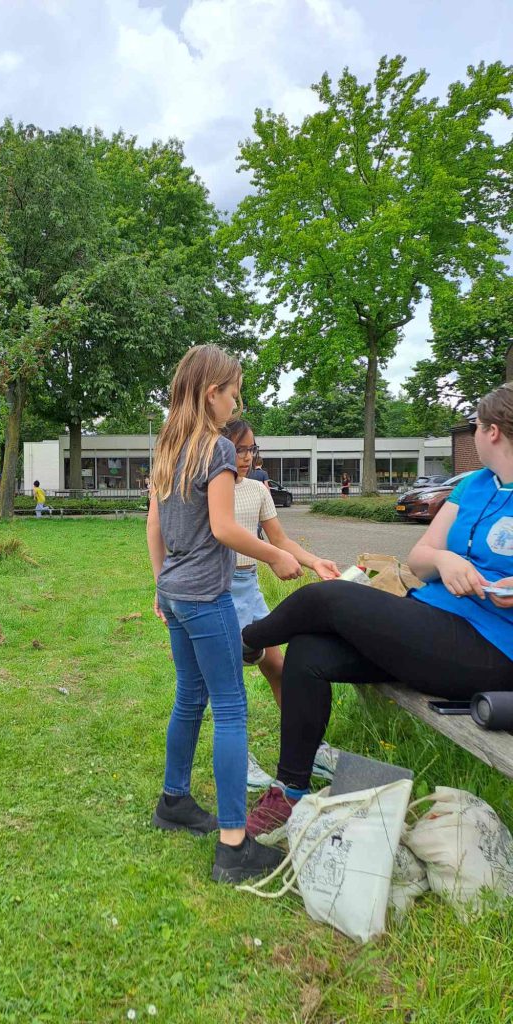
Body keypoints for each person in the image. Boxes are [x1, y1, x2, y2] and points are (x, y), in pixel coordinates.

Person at [242, 383, 513, 843]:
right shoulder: (472, 486)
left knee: (329, 598)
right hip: (427, 624)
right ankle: (290, 790)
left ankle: (245, 641)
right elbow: (420, 558)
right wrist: (446, 560)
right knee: (308, 649)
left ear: (490, 432)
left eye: (475, 429)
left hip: (489, 649)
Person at [147, 344, 305, 884]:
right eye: (233, 394)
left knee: (190, 697)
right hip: (204, 596)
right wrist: (276, 555)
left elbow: (154, 526)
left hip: (175, 593)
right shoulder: (214, 447)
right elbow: (223, 527)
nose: (236, 404)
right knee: (232, 708)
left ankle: (174, 801)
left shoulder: (168, 445)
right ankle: (234, 846)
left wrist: (160, 584)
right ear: (212, 393)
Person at [221, 420, 341, 788]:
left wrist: (314, 561)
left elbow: (280, 540)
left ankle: (310, 748)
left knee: (277, 666)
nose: (246, 457)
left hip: (249, 587)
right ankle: (237, 758)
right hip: (219, 590)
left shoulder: (257, 490)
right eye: (238, 449)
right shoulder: (211, 488)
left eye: (251, 449)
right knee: (229, 682)